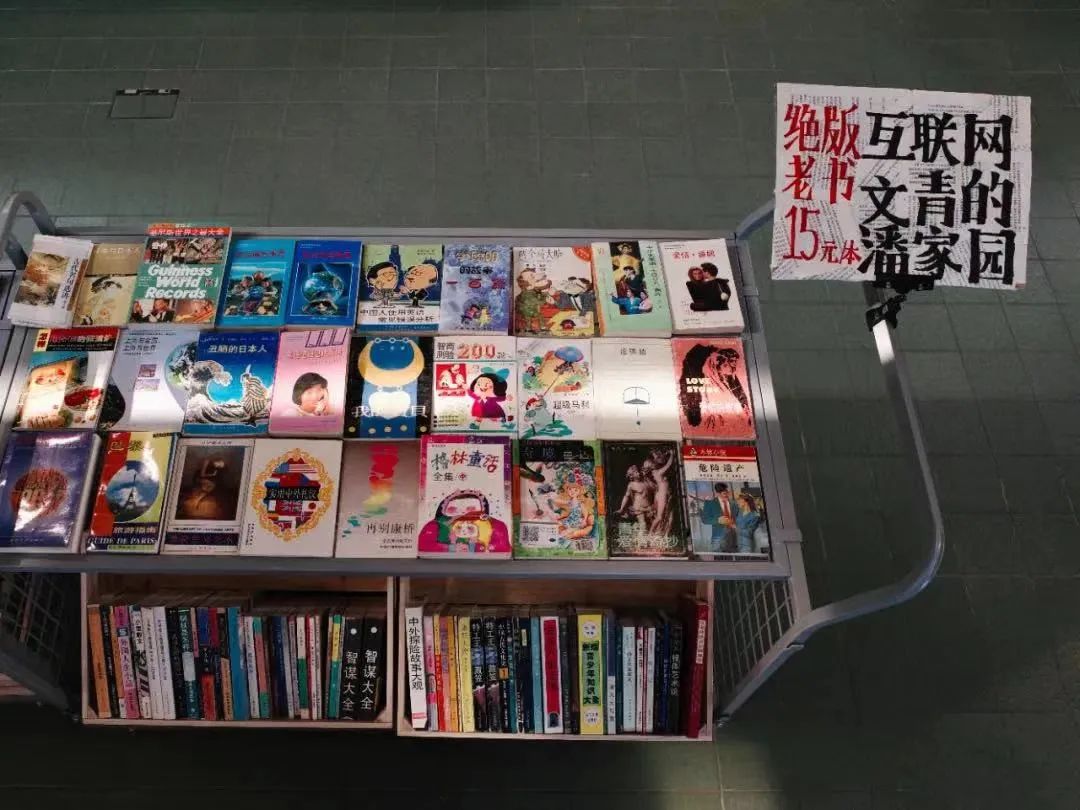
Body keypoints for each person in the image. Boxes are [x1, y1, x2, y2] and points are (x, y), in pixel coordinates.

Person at [642, 447, 674, 536]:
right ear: (652, 465)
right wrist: (672, 454)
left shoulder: (655, 473)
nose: (655, 463)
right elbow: (668, 465)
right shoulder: (657, 472)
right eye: (653, 463)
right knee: (659, 517)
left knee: (666, 516)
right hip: (662, 494)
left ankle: (660, 533)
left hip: (663, 494)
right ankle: (650, 534)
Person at [699, 482, 737, 553]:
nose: (727, 495)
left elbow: (738, 517)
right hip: (718, 538)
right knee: (718, 558)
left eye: (727, 492)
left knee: (737, 558)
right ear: (718, 494)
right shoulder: (710, 503)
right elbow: (705, 519)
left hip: (734, 537)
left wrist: (736, 524)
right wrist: (718, 520)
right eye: (724, 493)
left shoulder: (734, 503)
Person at [616, 465, 654, 531]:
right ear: (631, 476)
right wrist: (622, 508)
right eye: (636, 472)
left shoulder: (645, 482)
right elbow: (626, 497)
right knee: (643, 525)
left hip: (648, 506)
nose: (638, 473)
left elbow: (654, 488)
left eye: (638, 471)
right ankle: (641, 537)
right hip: (639, 507)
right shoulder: (631, 485)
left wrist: (647, 478)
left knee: (651, 524)